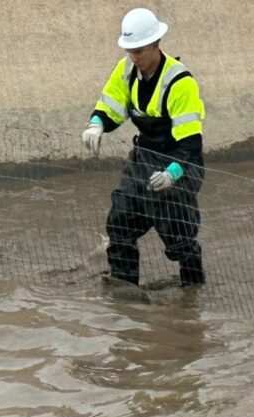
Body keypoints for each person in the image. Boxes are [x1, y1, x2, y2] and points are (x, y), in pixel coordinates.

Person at [83, 7, 205, 287]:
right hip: (143, 158)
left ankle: (193, 289)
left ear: (155, 44)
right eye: (130, 50)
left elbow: (190, 144)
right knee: (120, 222)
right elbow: (111, 105)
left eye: (139, 50)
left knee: (178, 238)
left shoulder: (179, 82)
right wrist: (96, 124)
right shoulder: (125, 69)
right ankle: (125, 292)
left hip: (182, 164)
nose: (134, 56)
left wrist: (172, 174)